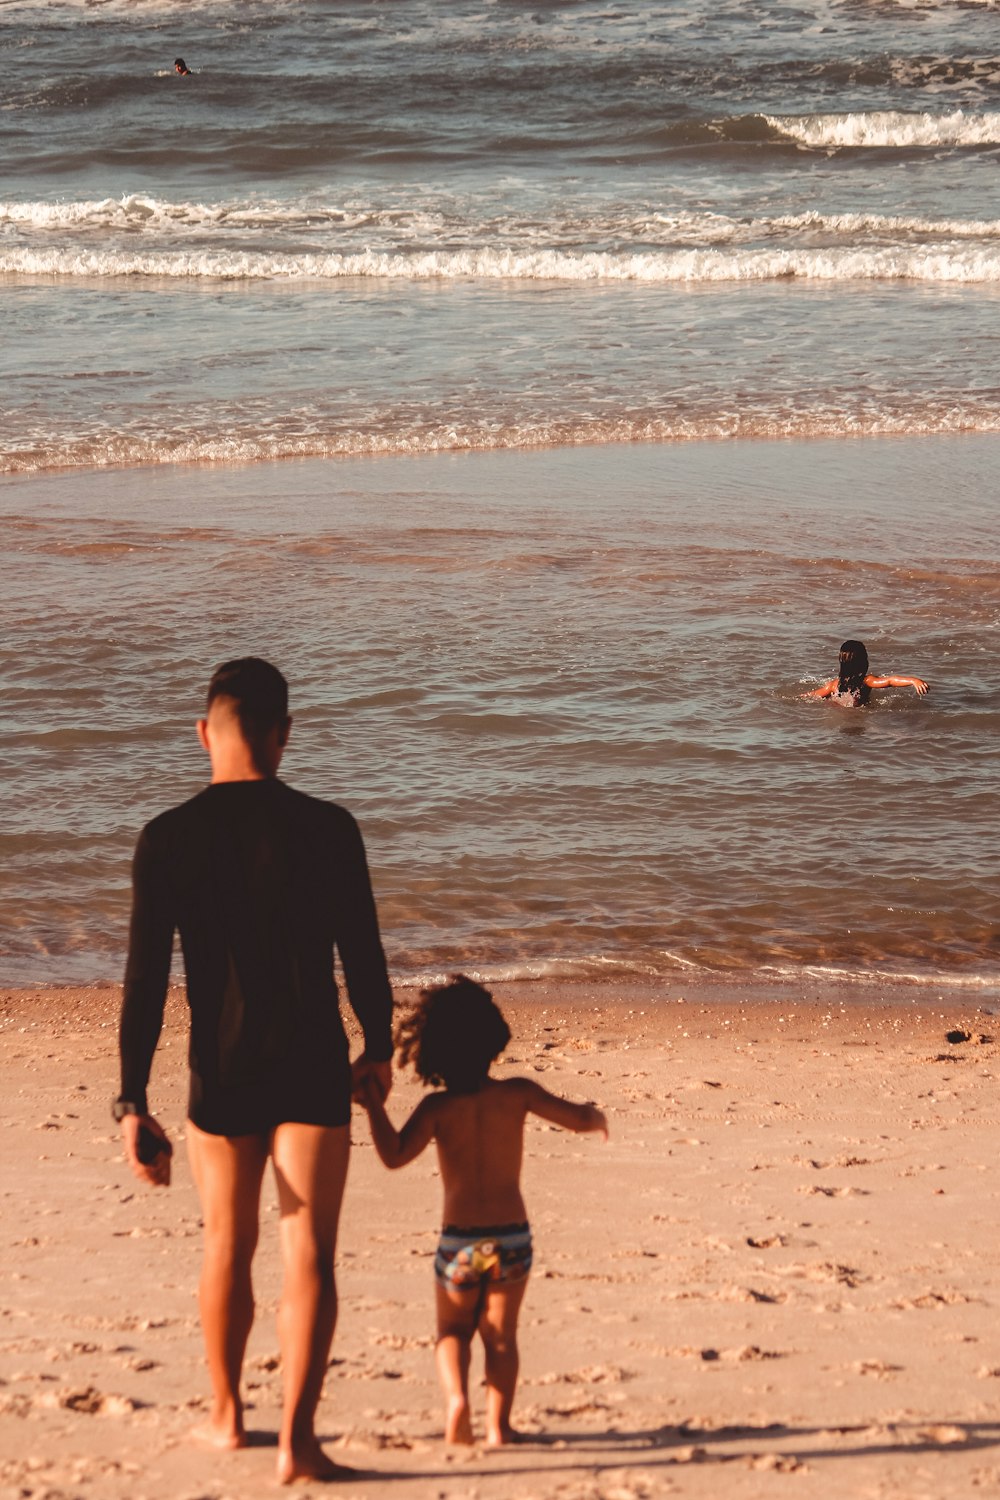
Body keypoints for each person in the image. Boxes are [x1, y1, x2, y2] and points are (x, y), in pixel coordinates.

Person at [115, 657, 393, 1485]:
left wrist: (133, 1100)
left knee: (226, 1245)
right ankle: (300, 1446)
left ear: (205, 733)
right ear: (284, 735)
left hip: (221, 1068)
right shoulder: (331, 827)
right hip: (312, 1060)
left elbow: (144, 981)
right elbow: (364, 954)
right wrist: (375, 1047)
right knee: (309, 1252)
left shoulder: (167, 837)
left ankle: (229, 1419)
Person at [360, 976, 607, 1447]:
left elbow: (393, 1155)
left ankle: (457, 1402)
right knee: (501, 1337)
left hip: (460, 1244)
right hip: (511, 1240)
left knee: (452, 1329)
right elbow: (575, 1118)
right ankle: (499, 1425)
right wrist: (595, 1117)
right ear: (493, 1038)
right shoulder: (517, 1093)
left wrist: (372, 1103)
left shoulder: (436, 1108)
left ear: (431, 1050)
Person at [804, 639, 929, 707]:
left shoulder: (834, 684)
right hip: (858, 713)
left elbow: (812, 695)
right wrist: (914, 680)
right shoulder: (866, 681)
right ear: (863, 661)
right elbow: (890, 681)